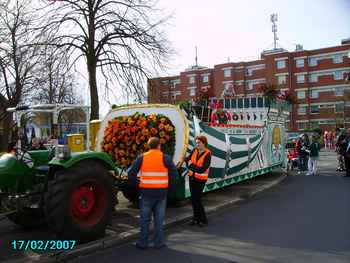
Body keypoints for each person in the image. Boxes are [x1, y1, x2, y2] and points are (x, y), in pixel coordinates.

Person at [127, 137, 177, 249]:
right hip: (161, 194)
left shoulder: (142, 157)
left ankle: (143, 243)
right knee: (159, 220)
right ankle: (158, 243)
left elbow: (130, 173)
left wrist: (138, 182)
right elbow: (174, 176)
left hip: (146, 193)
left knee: (144, 220)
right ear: (159, 145)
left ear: (149, 146)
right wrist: (169, 189)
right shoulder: (166, 158)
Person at [185, 135, 212, 227]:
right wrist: (191, 165)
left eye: (199, 143)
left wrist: (191, 165)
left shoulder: (208, 154)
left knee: (197, 200)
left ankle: (203, 220)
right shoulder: (195, 150)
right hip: (192, 177)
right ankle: (196, 219)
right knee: (193, 199)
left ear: (204, 143)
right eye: (196, 143)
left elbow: (202, 169)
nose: (197, 144)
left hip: (200, 179)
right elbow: (187, 160)